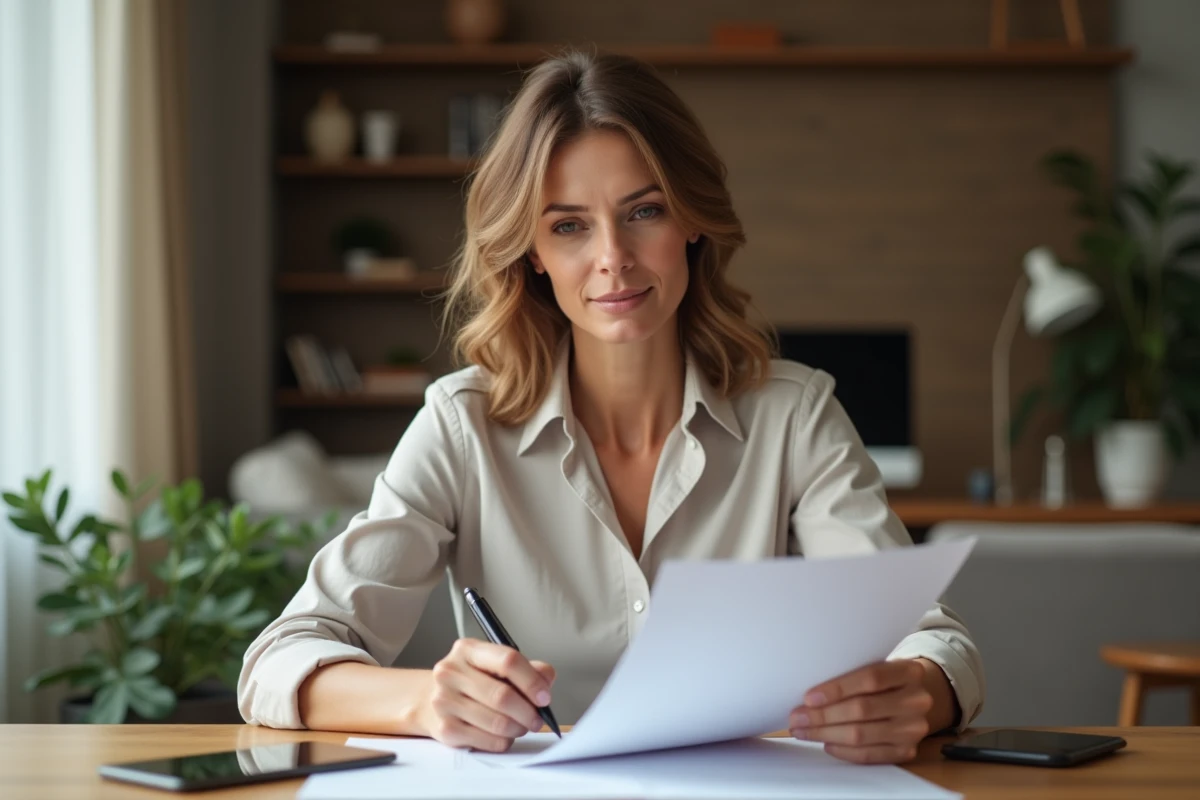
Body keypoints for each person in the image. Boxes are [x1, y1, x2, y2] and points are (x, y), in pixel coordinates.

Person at [238, 50, 984, 765]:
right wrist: (423, 702)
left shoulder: (795, 414)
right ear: (530, 250)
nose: (613, 259)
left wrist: (915, 692)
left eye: (644, 211)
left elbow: (932, 641)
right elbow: (280, 659)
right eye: (568, 226)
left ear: (692, 219)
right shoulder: (461, 424)